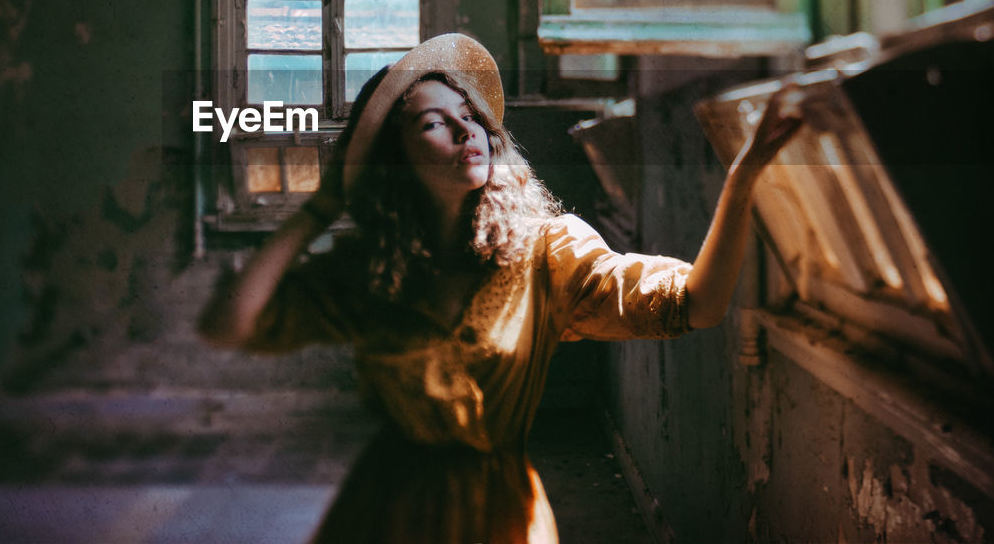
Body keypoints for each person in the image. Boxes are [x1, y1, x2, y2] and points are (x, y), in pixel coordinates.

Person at [199, 33, 802, 543]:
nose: (469, 133)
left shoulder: (547, 252)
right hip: (387, 508)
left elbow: (698, 304)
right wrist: (322, 208)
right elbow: (229, 324)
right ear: (396, 160)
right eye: (437, 123)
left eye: (472, 119)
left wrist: (742, 178)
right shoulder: (373, 268)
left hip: (499, 516)